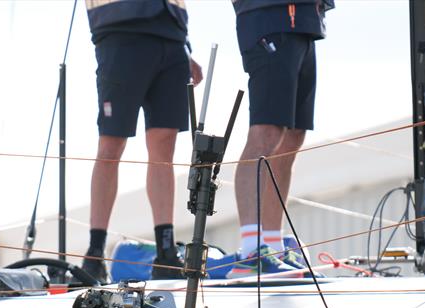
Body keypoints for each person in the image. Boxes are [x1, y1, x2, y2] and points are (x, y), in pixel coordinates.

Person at [81, 0, 203, 283]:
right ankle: (95, 253)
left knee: (164, 147)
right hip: (119, 30)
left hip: (171, 35)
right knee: (111, 145)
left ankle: (166, 251)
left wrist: (183, 47)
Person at [228, 0, 334, 277]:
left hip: (305, 22)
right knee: (266, 133)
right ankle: (251, 252)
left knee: (292, 138)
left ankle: (272, 246)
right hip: (268, 19)